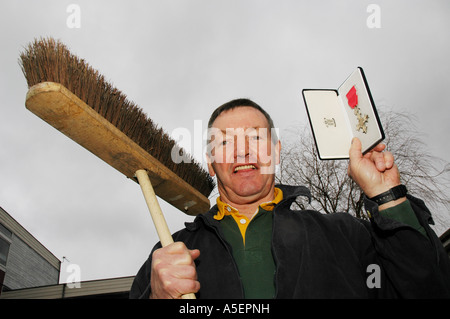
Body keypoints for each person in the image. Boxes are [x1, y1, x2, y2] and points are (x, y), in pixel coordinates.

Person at [130, 98, 450, 299]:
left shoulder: (345, 236)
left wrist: (388, 196)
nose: (243, 151)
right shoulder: (169, 256)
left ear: (276, 151)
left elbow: (429, 287)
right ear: (211, 162)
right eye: (226, 142)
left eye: (256, 137)